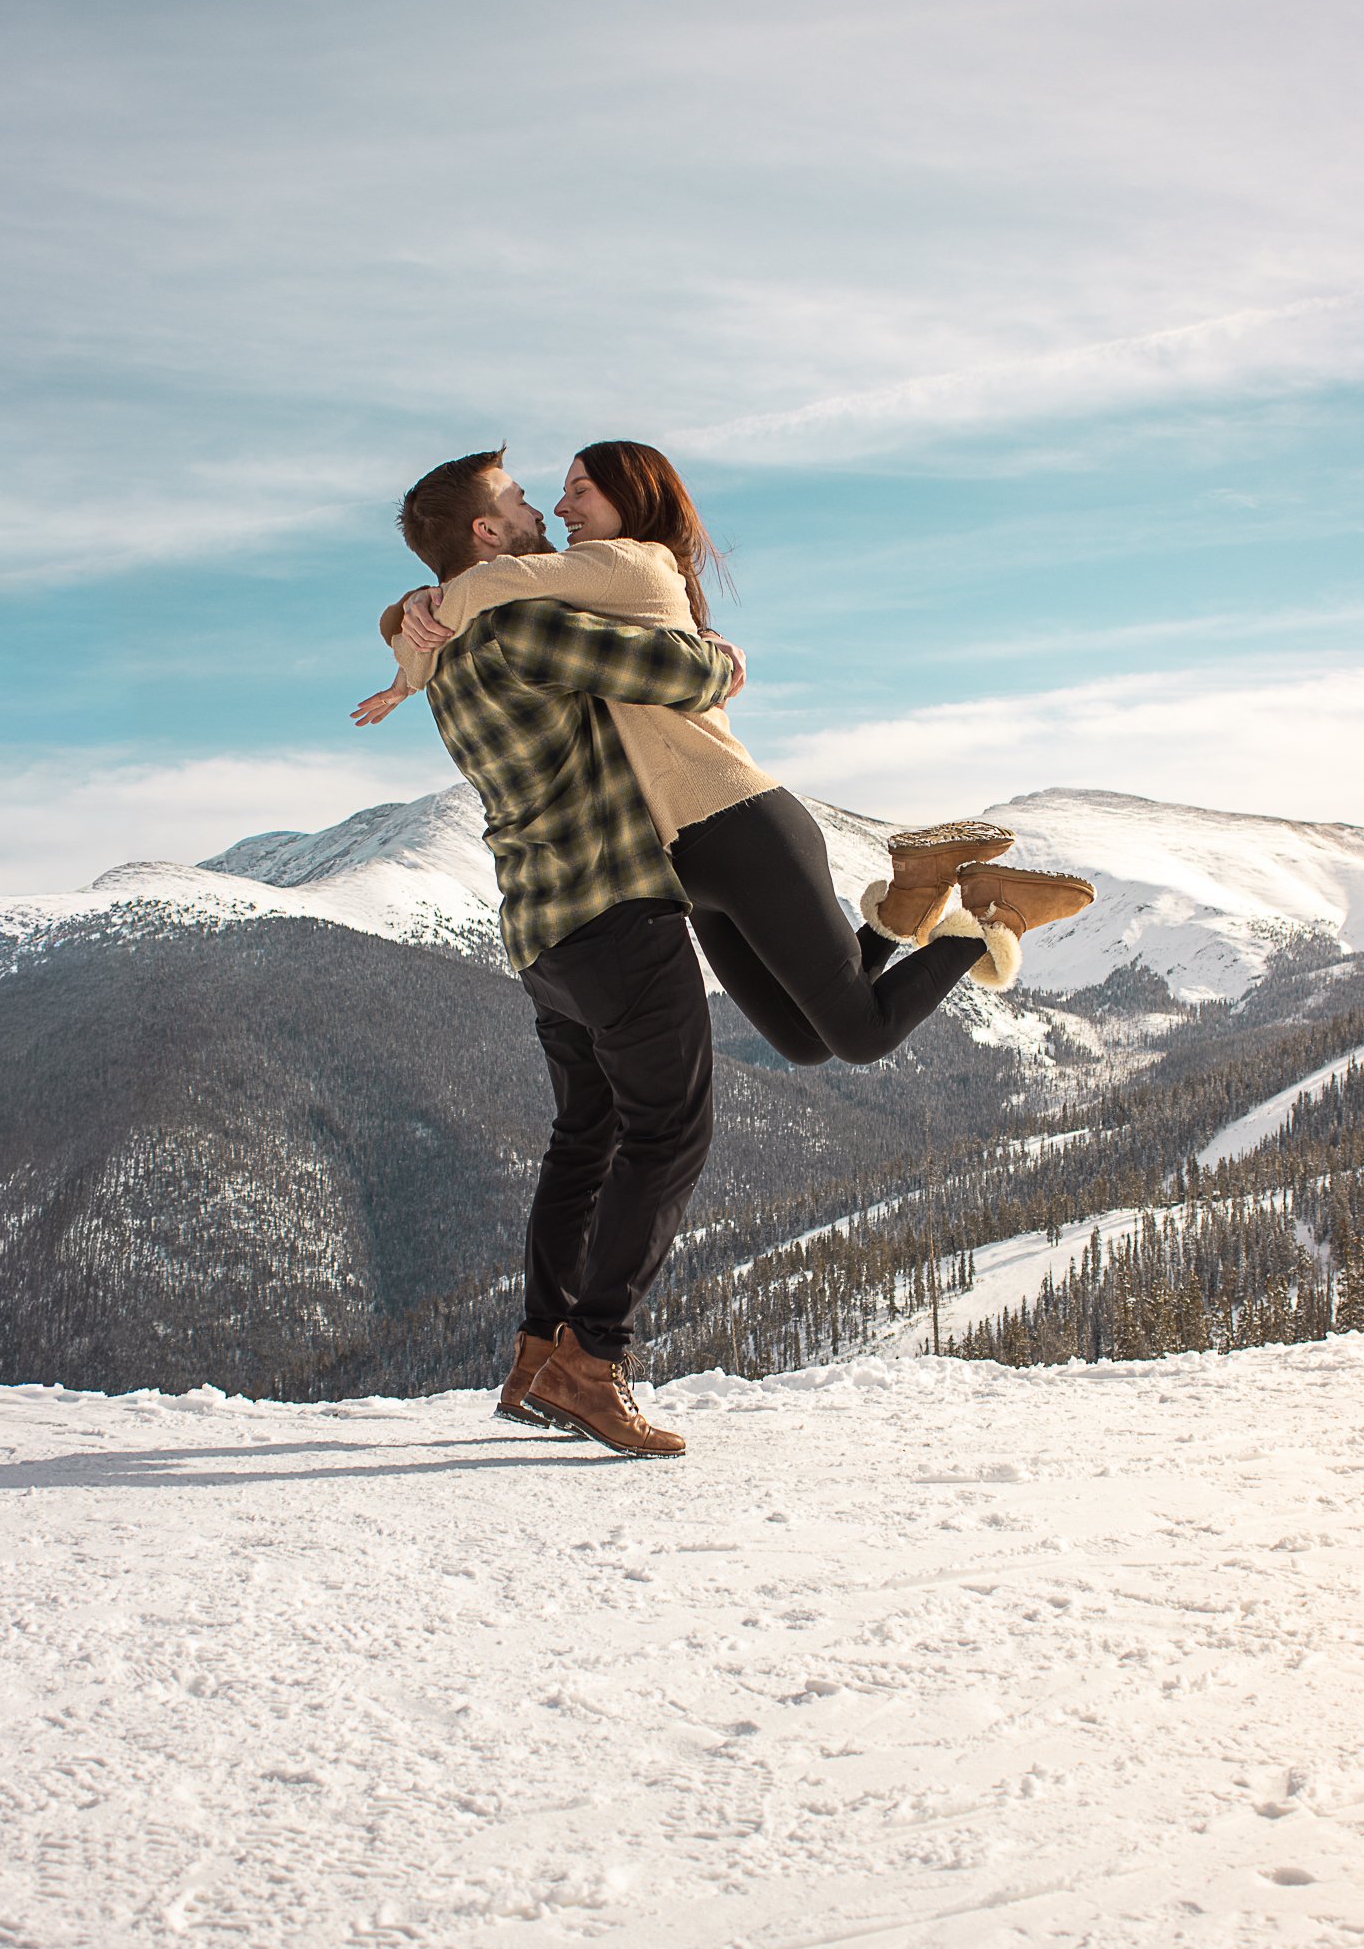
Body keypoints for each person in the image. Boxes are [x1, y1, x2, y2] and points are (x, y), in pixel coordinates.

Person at [361, 442, 1095, 1071]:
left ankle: (985, 915)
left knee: (861, 1036)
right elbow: (496, 588)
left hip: (735, 822)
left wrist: (419, 625)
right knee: (806, 1044)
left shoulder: (631, 562)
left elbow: (493, 581)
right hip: (683, 863)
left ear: (630, 496)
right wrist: (411, 616)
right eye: (553, 494)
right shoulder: (580, 585)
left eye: (578, 489)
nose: (558, 507)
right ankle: (911, 892)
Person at [369, 447, 754, 1460]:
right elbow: (673, 672)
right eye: (516, 500)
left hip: (540, 931)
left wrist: (404, 608)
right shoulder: (522, 619)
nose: (539, 505)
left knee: (586, 1137)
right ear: (488, 536)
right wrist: (727, 660)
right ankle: (593, 1362)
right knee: (667, 1133)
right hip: (618, 910)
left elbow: (413, 619)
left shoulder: (442, 642)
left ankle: (536, 1357)